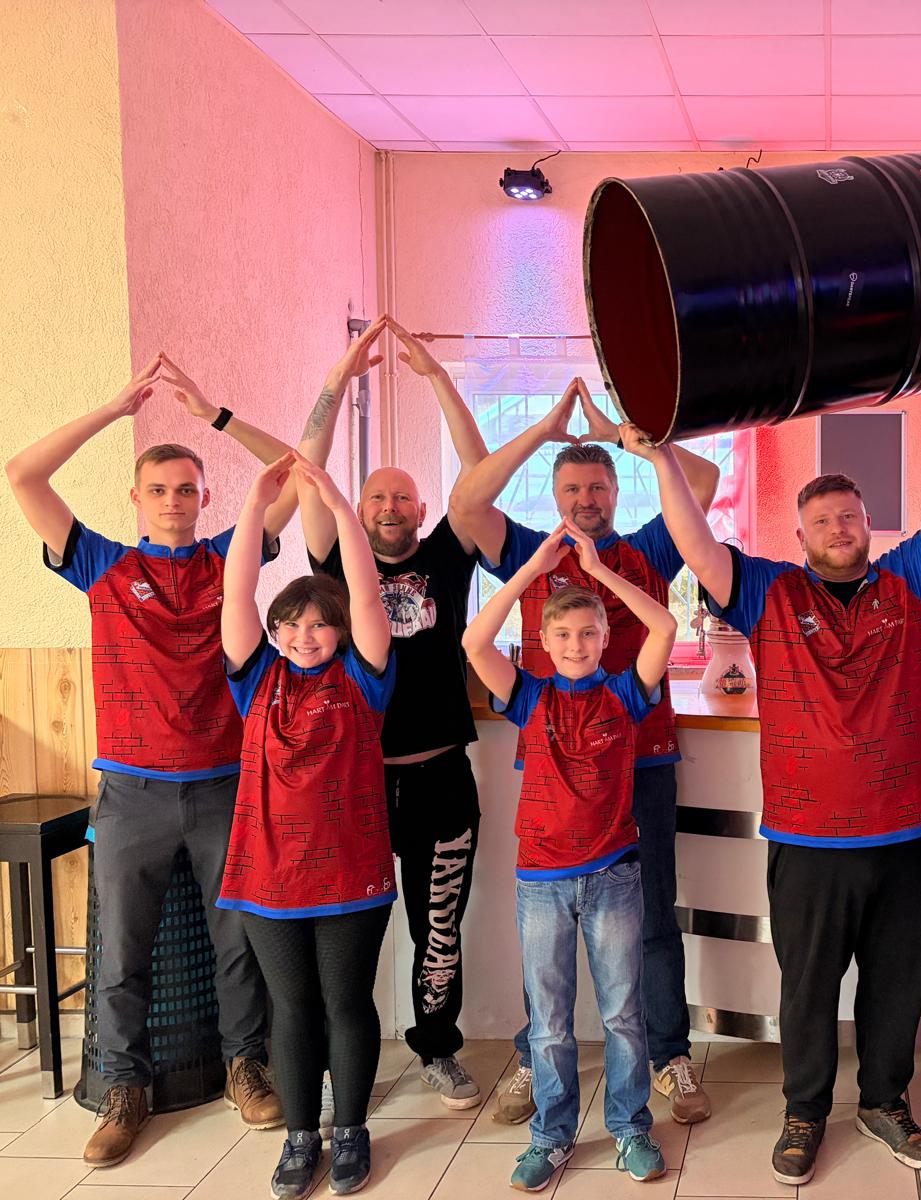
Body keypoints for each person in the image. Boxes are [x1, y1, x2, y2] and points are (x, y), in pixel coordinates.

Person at [623, 363, 921, 1185]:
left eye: (848, 516)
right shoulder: (769, 592)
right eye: (822, 519)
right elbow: (695, 545)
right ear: (800, 537)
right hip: (805, 837)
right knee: (806, 988)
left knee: (896, 984)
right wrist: (661, 458)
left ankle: (885, 1103)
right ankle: (804, 1112)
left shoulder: (909, 583)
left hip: (903, 831)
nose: (837, 527)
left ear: (869, 525)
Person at [5, 354, 288, 1166]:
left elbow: (295, 473)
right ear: (136, 499)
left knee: (239, 941)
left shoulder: (229, 559)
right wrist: (111, 410)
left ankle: (245, 1068)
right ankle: (124, 1090)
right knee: (121, 954)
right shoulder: (103, 566)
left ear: (205, 498)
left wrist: (217, 417)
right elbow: (21, 474)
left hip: (225, 785)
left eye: (186, 489)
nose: (172, 501)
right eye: (158, 490)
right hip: (131, 793)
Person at [451, 377, 720, 1126]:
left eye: (598, 486)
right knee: (549, 925)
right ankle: (536, 1058)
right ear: (556, 493)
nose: (586, 498)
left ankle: (670, 1057)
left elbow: (703, 481)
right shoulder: (528, 554)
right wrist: (544, 431)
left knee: (652, 912)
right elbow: (467, 506)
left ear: (615, 490)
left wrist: (617, 431)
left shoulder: (647, 548)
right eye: (572, 487)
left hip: (642, 760)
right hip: (555, 769)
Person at [298, 315, 492, 1110]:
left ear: (419, 508)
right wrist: (338, 378)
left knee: (437, 929)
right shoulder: (338, 563)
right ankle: (341, 1061)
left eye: (401, 496)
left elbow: (478, 471)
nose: (388, 506)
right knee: (347, 931)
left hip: (442, 777)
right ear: (360, 506)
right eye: (375, 495)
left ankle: (437, 1049)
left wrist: (438, 377)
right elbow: (306, 471)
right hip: (358, 782)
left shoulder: (445, 555)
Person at [463, 517, 673, 1191]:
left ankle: (629, 1127)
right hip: (543, 882)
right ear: (545, 642)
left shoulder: (624, 694)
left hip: (614, 875)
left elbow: (664, 627)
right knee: (550, 1025)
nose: (576, 644)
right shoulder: (529, 696)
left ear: (605, 638)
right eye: (563, 635)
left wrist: (600, 572)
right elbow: (474, 641)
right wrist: (531, 571)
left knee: (623, 1016)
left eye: (588, 633)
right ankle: (551, 1137)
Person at [218, 454, 396, 1199]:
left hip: (352, 871)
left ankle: (350, 1130)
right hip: (267, 875)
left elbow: (366, 590)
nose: (304, 635)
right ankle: (301, 1136)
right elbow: (235, 592)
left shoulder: (365, 675)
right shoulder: (256, 676)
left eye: (321, 624)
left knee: (346, 1003)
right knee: (291, 1008)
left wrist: (341, 508)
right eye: (290, 624)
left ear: (342, 631)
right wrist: (255, 504)